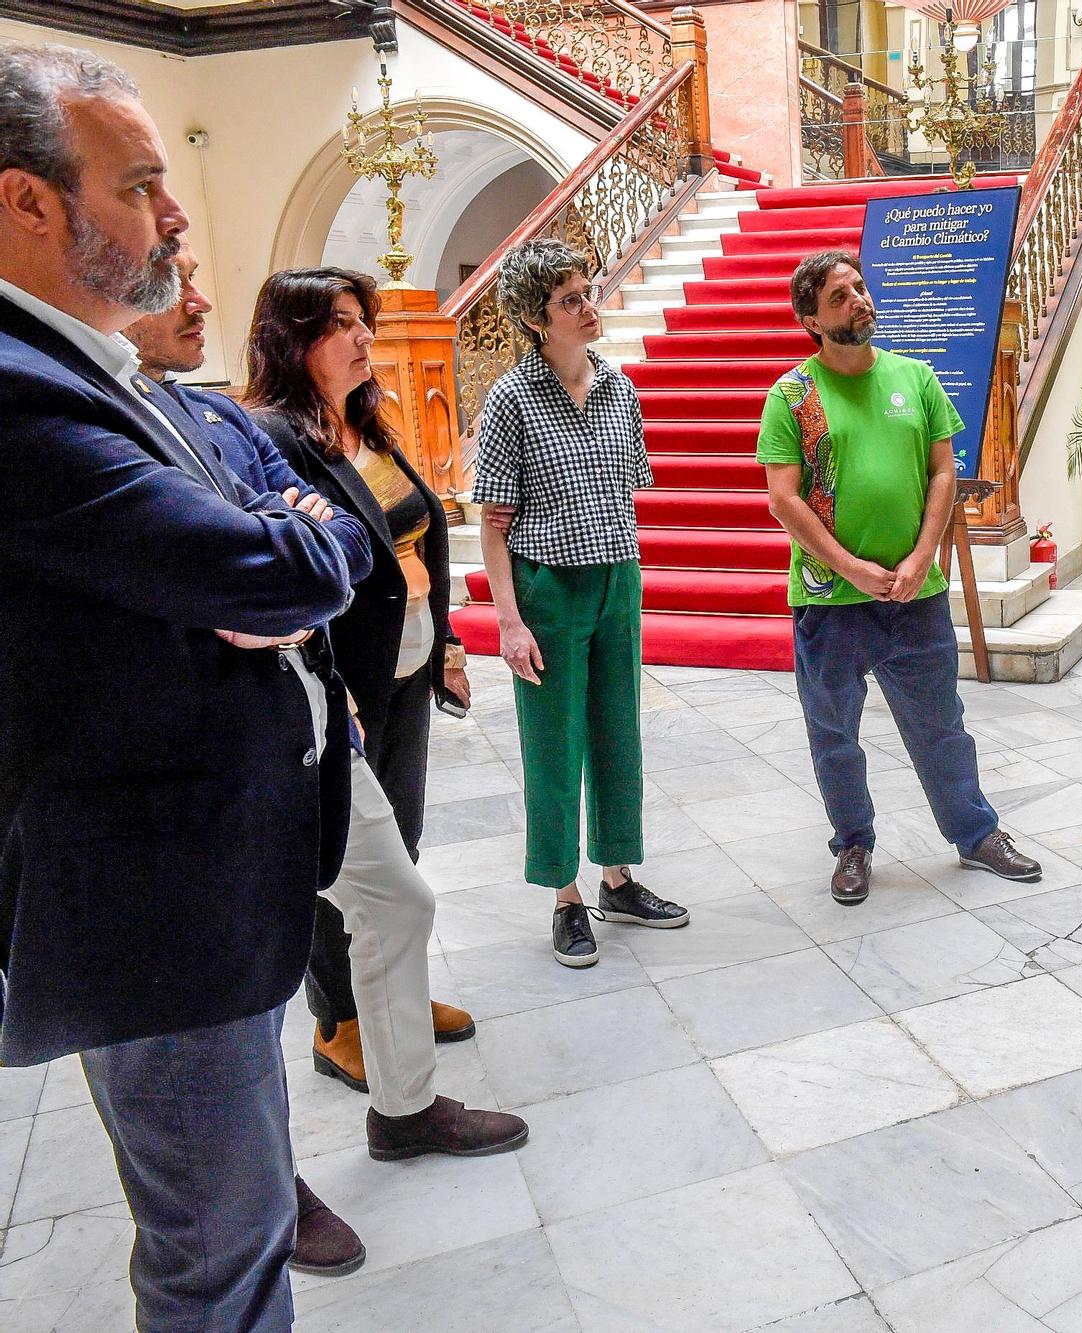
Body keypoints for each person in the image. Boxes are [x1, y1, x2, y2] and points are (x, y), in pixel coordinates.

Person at [0, 43, 353, 1329]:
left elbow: (315, 532)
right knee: (219, 1250)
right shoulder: (19, 391)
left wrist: (279, 555)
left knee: (239, 1226)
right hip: (154, 915)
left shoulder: (103, 366)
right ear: (28, 201)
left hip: (214, 886)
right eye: (142, 184)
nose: (175, 215)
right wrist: (275, 559)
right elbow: (278, 564)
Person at [128, 250, 528, 1275]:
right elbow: (238, 580)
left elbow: (339, 551)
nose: (198, 295)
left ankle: (402, 1109)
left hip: (316, 699)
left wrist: (296, 561)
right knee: (237, 985)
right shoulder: (117, 419)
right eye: (166, 273)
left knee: (397, 896)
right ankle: (272, 1178)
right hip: (210, 740)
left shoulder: (208, 419)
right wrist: (280, 558)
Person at [244, 266, 479, 1088]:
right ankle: (337, 1019)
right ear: (294, 338)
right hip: (341, 682)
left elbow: (416, 537)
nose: (364, 339)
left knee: (398, 847)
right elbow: (289, 570)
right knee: (336, 855)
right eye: (343, 324)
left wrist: (444, 639)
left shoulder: (367, 423)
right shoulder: (270, 437)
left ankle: (395, 998)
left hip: (406, 667)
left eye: (365, 322)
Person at [756, 250, 1041, 906]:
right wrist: (849, 565)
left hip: (916, 595)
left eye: (859, 287)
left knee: (941, 722)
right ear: (811, 319)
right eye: (839, 297)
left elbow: (944, 471)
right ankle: (852, 842)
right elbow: (785, 499)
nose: (859, 300)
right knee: (834, 729)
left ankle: (976, 833)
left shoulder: (916, 379)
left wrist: (920, 558)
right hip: (830, 600)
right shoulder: (792, 396)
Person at [473, 237, 687, 966]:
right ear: (537, 318)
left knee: (617, 731)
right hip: (546, 586)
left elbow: (629, 486)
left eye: (586, 292)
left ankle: (618, 879)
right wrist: (509, 621)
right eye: (570, 300)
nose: (587, 307)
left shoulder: (620, 388)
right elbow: (493, 525)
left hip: (617, 576)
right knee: (554, 744)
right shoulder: (510, 399)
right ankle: (565, 896)